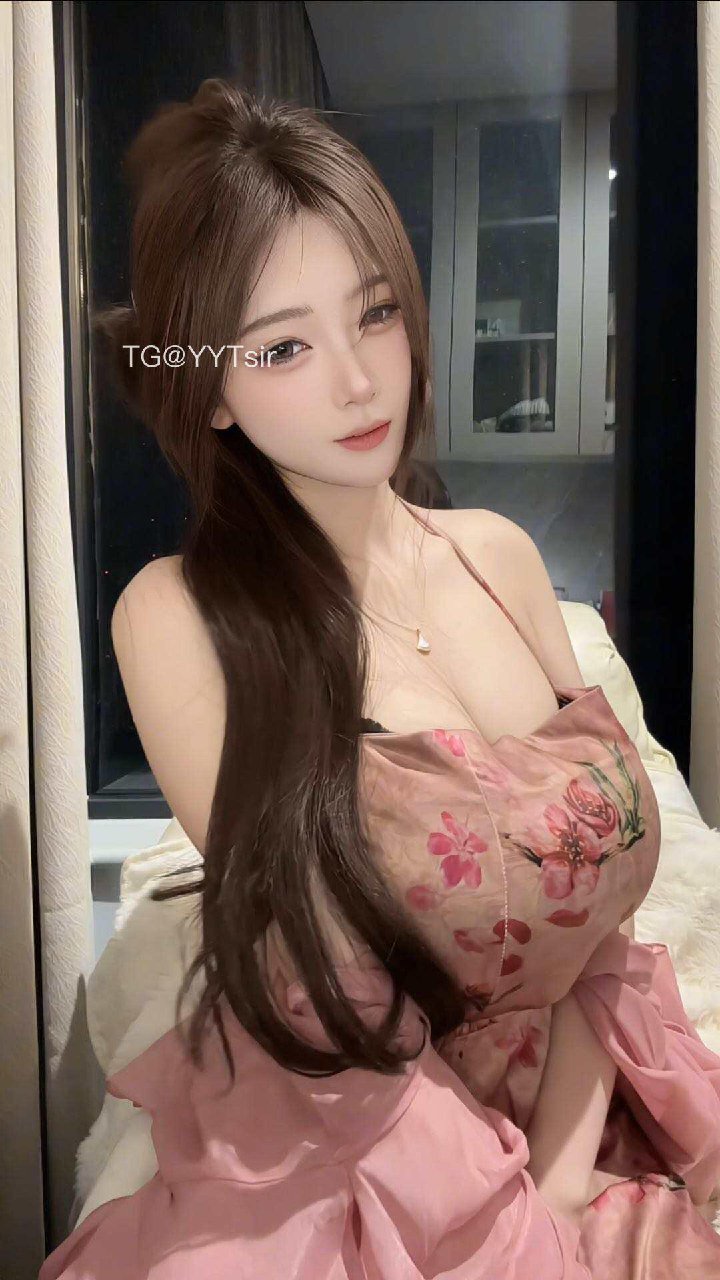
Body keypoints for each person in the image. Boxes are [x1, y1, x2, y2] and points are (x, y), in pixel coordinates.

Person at [41, 79, 720, 1278]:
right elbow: (321, 989)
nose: (359, 380)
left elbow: (601, 928)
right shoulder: (180, 613)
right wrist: (519, 1221)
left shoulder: (500, 556)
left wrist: (564, 1178)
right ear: (211, 388)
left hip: (590, 1096)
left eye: (375, 313)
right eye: (284, 346)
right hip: (364, 1136)